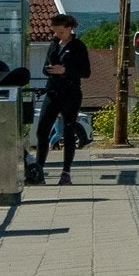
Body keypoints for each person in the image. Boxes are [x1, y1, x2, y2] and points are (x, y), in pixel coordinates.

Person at [33, 13, 91, 185]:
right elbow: (45, 67)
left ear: (69, 29)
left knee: (68, 130)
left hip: (70, 93)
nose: (58, 35)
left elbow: (85, 72)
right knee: (42, 130)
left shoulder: (78, 46)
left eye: (61, 32)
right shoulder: (53, 44)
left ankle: (66, 172)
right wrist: (50, 69)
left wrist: (65, 70)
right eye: (56, 32)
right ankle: (39, 170)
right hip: (52, 91)